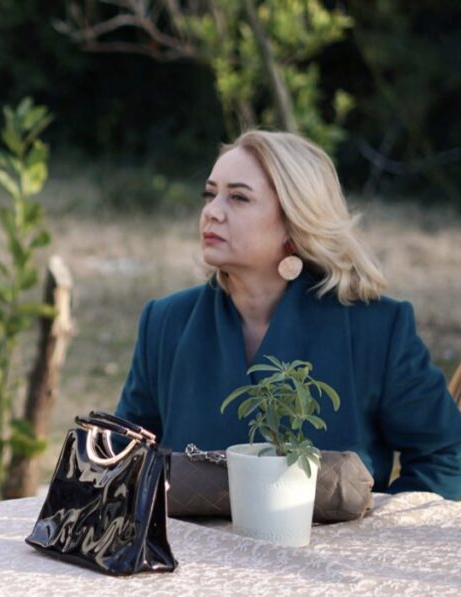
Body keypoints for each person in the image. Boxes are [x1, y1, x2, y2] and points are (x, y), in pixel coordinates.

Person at [114, 130, 461, 499]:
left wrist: (378, 528)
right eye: (210, 194)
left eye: (238, 197)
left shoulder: (376, 328)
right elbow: (122, 460)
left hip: (337, 538)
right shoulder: (165, 322)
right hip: (189, 538)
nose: (211, 212)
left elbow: (445, 458)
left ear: (295, 221)